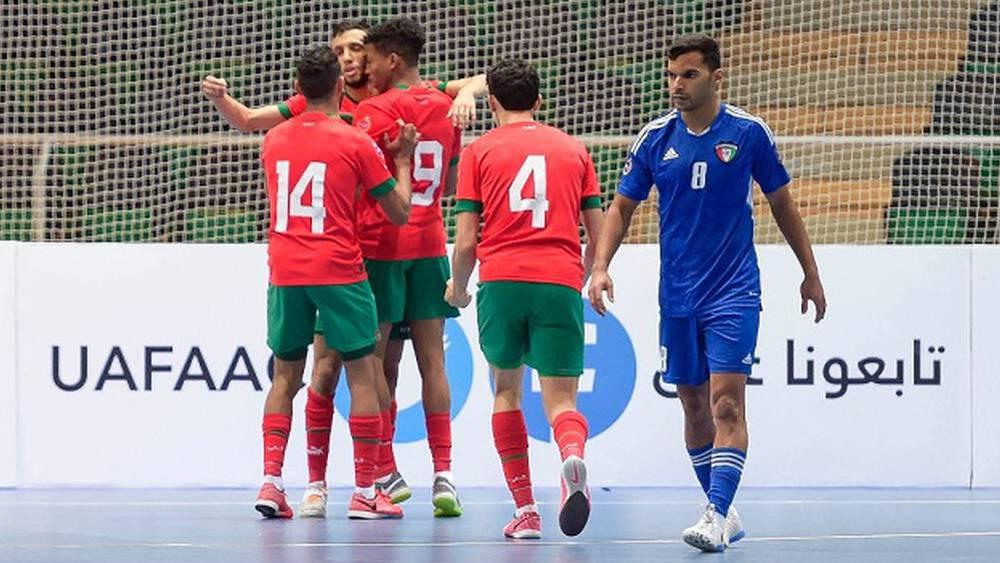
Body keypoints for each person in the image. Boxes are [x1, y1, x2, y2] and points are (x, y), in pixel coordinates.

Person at [201, 19, 485, 516]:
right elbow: (423, 177)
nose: (355, 59)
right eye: (343, 53)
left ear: (384, 59)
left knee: (353, 368)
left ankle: (336, 478)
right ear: (334, 76)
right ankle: (355, 481)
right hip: (374, 253)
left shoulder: (329, 126)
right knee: (361, 367)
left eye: (361, 51)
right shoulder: (406, 113)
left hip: (331, 259)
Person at [588, 33, 828, 552]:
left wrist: (809, 271)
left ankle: (716, 513)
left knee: (726, 407)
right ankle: (724, 510)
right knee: (693, 406)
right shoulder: (654, 138)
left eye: (689, 75)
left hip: (733, 290)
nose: (676, 84)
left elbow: (783, 204)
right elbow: (622, 207)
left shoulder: (748, 134)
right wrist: (600, 266)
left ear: (716, 78)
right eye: (671, 74)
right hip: (676, 294)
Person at [446, 58, 605, 539]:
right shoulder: (574, 150)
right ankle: (571, 454)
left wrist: (458, 287)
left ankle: (526, 511)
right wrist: (585, 273)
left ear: (490, 100)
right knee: (561, 401)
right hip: (557, 277)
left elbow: (468, 238)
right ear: (539, 101)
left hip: (502, 280)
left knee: (506, 392)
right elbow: (597, 234)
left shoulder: (479, 153)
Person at [255, 44, 415, 520]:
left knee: (286, 376)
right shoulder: (354, 141)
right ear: (340, 87)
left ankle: (271, 482)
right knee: (363, 372)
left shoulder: (275, 139)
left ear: (298, 90)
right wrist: (402, 161)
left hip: (285, 269)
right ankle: (366, 491)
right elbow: (399, 212)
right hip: (339, 268)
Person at [350, 16, 466, 517]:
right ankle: (444, 476)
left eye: (370, 60)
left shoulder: (373, 112)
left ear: (392, 60)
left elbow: (356, 178)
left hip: (380, 245)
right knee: (432, 362)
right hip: (431, 243)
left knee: (372, 359)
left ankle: (384, 468)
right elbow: (454, 176)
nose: (363, 69)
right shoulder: (446, 110)